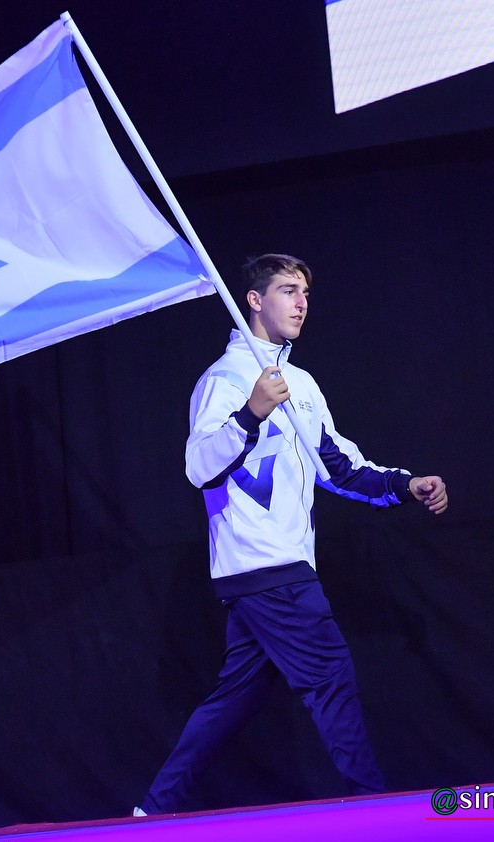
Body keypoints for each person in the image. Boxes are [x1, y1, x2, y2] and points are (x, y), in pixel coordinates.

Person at [135, 254, 448, 816]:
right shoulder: (223, 379)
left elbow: (339, 468)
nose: (301, 303)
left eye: (305, 292)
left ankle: (153, 810)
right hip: (265, 563)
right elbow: (198, 468)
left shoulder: (300, 384)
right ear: (254, 301)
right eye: (286, 290)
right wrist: (251, 412)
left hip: (274, 567)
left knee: (236, 697)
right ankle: (375, 808)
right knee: (331, 676)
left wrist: (405, 484)